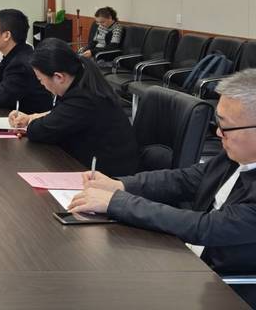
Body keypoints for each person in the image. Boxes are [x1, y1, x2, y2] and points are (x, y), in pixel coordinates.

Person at [68, 69, 256, 307]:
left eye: (226, 126)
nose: (218, 133)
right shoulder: (236, 156)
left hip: (226, 286)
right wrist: (121, 185)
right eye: (218, 123)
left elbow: (207, 227)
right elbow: (186, 179)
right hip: (189, 258)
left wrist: (116, 201)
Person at [8, 38, 138, 176]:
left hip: (109, 175)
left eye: (40, 79)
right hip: (93, 163)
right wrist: (31, 117)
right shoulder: (81, 79)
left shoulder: (83, 98)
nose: (42, 84)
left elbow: (39, 131)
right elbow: (59, 114)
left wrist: (32, 124)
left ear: (59, 77)